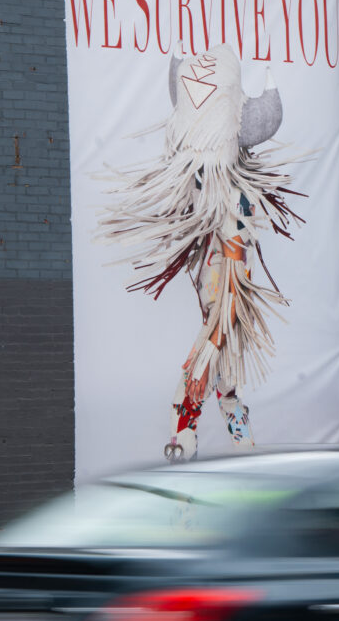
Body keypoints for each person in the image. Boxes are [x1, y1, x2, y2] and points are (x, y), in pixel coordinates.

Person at [97, 44, 303, 461]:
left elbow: (235, 288)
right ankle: (247, 456)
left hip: (222, 320)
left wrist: (209, 348)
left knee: (199, 387)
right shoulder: (204, 197)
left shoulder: (235, 203)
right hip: (217, 317)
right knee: (227, 389)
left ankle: (184, 446)